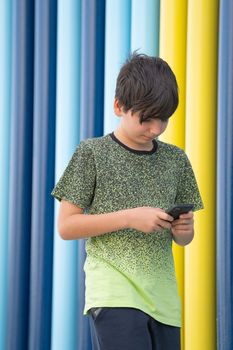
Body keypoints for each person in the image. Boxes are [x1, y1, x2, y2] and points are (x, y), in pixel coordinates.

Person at [51, 52, 204, 350]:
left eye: (164, 118)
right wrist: (130, 217)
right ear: (119, 106)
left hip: (164, 298)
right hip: (114, 293)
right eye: (147, 118)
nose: (157, 128)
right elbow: (66, 227)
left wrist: (183, 229)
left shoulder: (177, 160)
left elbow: (185, 239)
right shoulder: (91, 153)